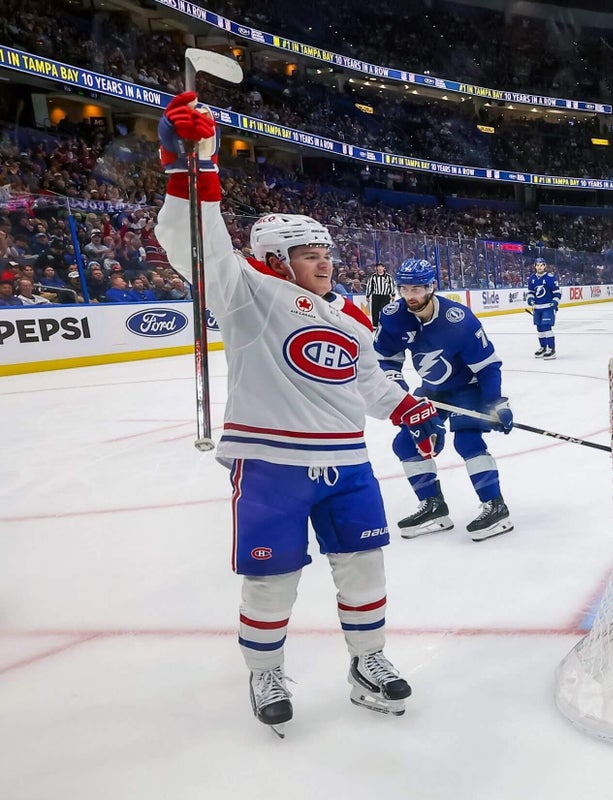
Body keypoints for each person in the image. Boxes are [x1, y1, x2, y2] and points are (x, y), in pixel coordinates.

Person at [154, 91, 445, 734]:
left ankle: (367, 662)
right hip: (271, 465)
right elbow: (193, 245)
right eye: (309, 252)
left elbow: (368, 384)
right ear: (276, 259)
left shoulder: (350, 316)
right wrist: (191, 165)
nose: (324, 260)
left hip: (347, 465)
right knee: (272, 579)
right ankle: (265, 671)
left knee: (364, 568)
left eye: (326, 251)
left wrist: (407, 409)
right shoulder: (249, 296)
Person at [375, 258, 515, 542]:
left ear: (432, 286)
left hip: (468, 387)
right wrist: (399, 391)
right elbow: (387, 359)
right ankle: (434, 507)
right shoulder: (392, 315)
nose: (410, 296)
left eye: (417, 288)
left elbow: (488, 366)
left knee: (467, 441)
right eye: (404, 289)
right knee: (406, 442)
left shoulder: (459, 320)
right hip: (433, 391)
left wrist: (496, 403)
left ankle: (496, 506)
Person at [526, 257, 561, 359]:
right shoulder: (532, 278)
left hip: (547, 307)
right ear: (535, 266)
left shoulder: (550, 278)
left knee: (546, 327)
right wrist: (530, 299)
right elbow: (531, 292)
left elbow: (557, 293)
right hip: (537, 308)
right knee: (540, 328)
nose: (539, 267)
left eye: (541, 265)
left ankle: (551, 349)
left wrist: (555, 302)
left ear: (545, 266)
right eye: (537, 265)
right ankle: (543, 347)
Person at [364, 262, 397, 327]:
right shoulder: (373, 277)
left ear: (384, 268)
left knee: (384, 310)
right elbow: (369, 286)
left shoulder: (389, 277)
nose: (380, 268)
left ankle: (384, 324)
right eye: (378, 267)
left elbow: (392, 286)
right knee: (375, 310)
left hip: (385, 296)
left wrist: (393, 294)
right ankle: (375, 325)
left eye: (381, 267)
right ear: (376, 268)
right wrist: (367, 295)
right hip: (376, 296)